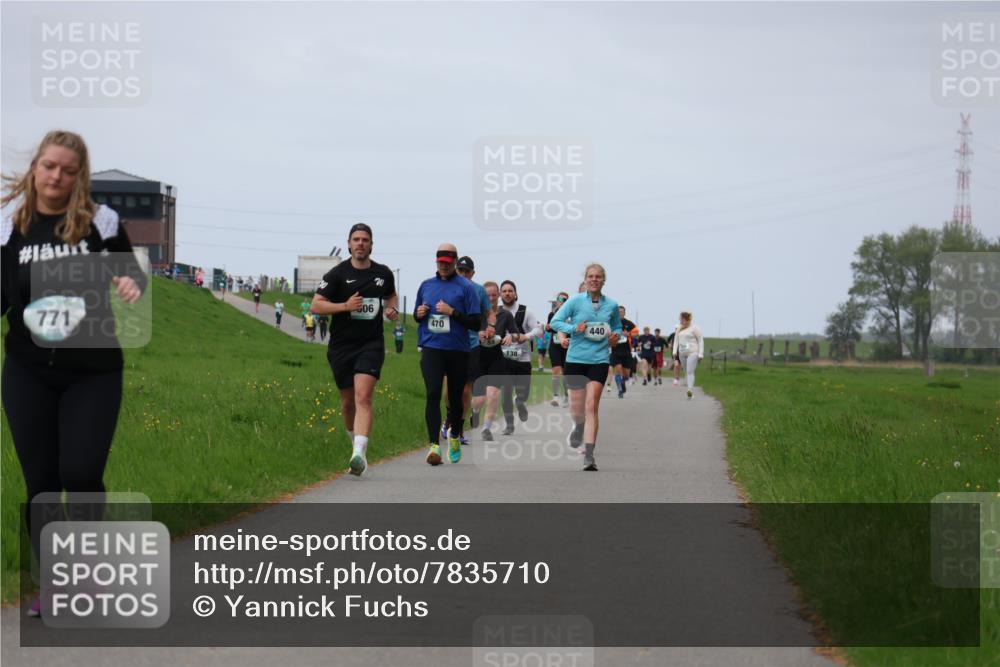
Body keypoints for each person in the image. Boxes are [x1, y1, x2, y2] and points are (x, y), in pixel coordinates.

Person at [1, 130, 146, 616]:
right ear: (35, 168)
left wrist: (129, 283)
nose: (56, 177)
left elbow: (132, 273)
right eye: (49, 166)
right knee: (42, 483)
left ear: (79, 175)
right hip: (27, 371)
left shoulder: (100, 221)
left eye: (67, 170)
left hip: (92, 371)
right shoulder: (11, 226)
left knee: (81, 473)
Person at [310, 223, 398, 476]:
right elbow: (316, 305)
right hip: (341, 346)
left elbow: (391, 295)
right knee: (348, 403)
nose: (360, 243)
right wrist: (345, 306)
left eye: (365, 240)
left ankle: (359, 453)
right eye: (356, 239)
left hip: (371, 344)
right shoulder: (337, 274)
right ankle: (354, 440)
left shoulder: (383, 273)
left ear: (371, 245)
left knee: (363, 397)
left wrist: (391, 309)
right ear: (349, 244)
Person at [550, 264, 622, 471]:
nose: (594, 279)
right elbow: (556, 322)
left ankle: (589, 456)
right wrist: (574, 328)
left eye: (598, 277)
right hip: (575, 359)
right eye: (591, 276)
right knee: (577, 409)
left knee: (591, 406)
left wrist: (615, 336)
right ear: (585, 279)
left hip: (599, 360)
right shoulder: (575, 301)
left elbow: (617, 327)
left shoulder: (612, 305)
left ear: (603, 280)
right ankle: (579, 426)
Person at [414, 244, 480, 466]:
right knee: (433, 393)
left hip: (458, 350)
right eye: (440, 262)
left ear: (454, 262)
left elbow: (475, 322)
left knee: (455, 397)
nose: (443, 266)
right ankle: (434, 445)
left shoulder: (466, 287)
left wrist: (452, 312)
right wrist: (419, 313)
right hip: (432, 347)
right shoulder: (426, 285)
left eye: (447, 262)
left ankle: (454, 435)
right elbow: (416, 316)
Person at [440, 256, 491, 446]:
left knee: (466, 389)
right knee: (449, 388)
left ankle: (459, 428)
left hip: (471, 344)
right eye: (459, 270)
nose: (462, 274)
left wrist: (491, 326)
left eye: (466, 271)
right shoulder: (445, 286)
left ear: (472, 273)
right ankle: (449, 417)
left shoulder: (479, 290)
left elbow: (489, 314)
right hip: (449, 342)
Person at [498, 280, 541, 436]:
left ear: (515, 294)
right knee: (506, 393)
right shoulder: (496, 312)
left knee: (523, 392)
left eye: (510, 291)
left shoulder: (526, 311)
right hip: (503, 358)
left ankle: (520, 402)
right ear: (500, 294)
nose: (507, 294)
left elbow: (538, 329)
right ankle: (509, 424)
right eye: (504, 291)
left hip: (522, 359)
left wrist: (526, 336)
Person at [471, 281, 508, 440]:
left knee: (493, 394)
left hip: (496, 358)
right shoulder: (475, 313)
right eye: (488, 295)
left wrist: (510, 337)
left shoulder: (505, 315)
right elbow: (464, 331)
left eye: (494, 295)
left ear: (499, 295)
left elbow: (515, 333)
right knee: (479, 400)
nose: (491, 298)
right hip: (478, 357)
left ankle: (486, 428)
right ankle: (475, 411)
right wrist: (476, 335)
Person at [545, 292, 570, 407]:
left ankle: (566, 395)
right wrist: (548, 327)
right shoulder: (552, 314)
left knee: (565, 372)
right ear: (557, 301)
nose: (563, 302)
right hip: (554, 345)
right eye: (561, 299)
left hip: (567, 345)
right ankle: (555, 397)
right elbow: (549, 328)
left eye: (565, 300)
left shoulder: (571, 315)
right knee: (556, 370)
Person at [672, 311, 704, 399]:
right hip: (682, 353)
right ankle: (689, 385)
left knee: (690, 371)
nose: (680, 321)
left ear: (687, 319)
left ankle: (689, 390)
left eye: (682, 319)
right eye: (680, 319)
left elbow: (700, 340)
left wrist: (701, 353)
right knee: (686, 371)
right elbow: (676, 340)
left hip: (693, 352)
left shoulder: (695, 328)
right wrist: (674, 351)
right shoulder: (679, 328)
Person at [608, 305, 636, 398]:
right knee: (618, 369)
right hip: (616, 351)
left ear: (624, 313)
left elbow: (636, 331)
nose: (620, 313)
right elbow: (607, 332)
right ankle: (620, 390)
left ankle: (623, 382)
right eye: (618, 312)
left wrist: (629, 334)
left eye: (622, 312)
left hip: (626, 351)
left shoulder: (628, 323)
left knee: (626, 374)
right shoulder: (612, 323)